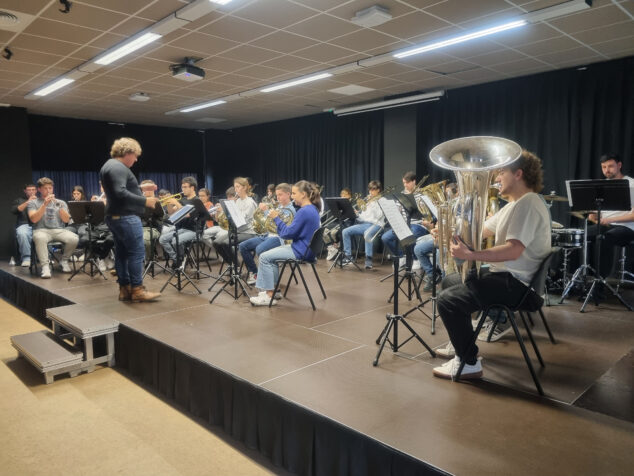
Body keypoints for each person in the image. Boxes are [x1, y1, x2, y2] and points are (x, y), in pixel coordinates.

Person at [432, 150, 551, 379]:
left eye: (501, 172)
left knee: (448, 301)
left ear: (518, 174)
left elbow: (513, 250)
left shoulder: (529, 203)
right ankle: (460, 343)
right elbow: (480, 231)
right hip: (507, 278)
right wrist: (447, 231)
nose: (497, 178)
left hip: (518, 286)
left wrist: (470, 255)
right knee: (450, 281)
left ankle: (468, 362)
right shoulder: (513, 205)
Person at [100, 137, 161, 302]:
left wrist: (139, 188)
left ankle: (125, 289)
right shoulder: (118, 167)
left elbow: (117, 190)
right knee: (136, 253)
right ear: (127, 152)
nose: (136, 159)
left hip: (115, 216)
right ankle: (137, 289)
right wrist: (145, 200)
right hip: (126, 217)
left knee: (121, 253)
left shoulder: (109, 165)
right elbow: (120, 192)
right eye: (135, 155)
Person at [250, 180, 321, 306]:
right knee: (268, 256)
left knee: (264, 257)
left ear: (303, 194)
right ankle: (272, 291)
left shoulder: (304, 211)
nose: (292, 196)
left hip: (300, 250)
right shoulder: (312, 209)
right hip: (306, 249)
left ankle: (269, 295)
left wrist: (276, 218)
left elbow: (286, 234)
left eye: (294, 193)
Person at [586, 153, 634, 282]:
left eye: (610, 166)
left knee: (604, 239)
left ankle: (600, 283)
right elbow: (597, 213)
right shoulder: (602, 185)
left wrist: (610, 219)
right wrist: (593, 216)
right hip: (605, 225)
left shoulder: (631, 184)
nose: (607, 170)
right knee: (579, 235)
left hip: (627, 228)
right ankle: (574, 279)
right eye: (603, 167)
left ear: (619, 165)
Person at [239, 183, 296, 284]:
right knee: (243, 246)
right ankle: (255, 273)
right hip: (267, 235)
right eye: (277, 195)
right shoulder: (278, 207)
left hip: (280, 238)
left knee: (260, 249)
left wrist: (266, 211)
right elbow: (268, 221)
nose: (278, 197)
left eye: (280, 195)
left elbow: (279, 227)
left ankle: (269, 281)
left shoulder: (290, 210)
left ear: (288, 194)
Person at [27, 177, 79, 278]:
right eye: (45, 188)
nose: (48, 190)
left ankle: (64, 261)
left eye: (50, 188)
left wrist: (60, 208)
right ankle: (45, 267)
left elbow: (66, 220)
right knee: (39, 238)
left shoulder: (61, 202)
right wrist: (44, 204)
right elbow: (33, 219)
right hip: (41, 230)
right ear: (39, 189)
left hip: (59, 230)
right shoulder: (33, 203)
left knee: (74, 238)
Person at [381, 171, 430, 266]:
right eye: (404, 183)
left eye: (407, 183)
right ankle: (400, 256)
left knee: (411, 235)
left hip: (419, 224)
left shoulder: (422, 193)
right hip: (404, 223)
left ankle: (415, 259)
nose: (405, 185)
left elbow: (426, 212)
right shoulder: (402, 194)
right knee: (386, 237)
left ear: (414, 181)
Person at [341, 180, 384, 269]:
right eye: (370, 190)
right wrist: (357, 214)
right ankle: (348, 257)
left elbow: (379, 216)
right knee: (345, 231)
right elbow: (364, 217)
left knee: (367, 234)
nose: (370, 192)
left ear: (378, 190)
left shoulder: (382, 200)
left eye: (373, 190)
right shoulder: (368, 201)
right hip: (365, 224)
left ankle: (368, 260)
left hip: (377, 224)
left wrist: (373, 204)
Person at [11, 183, 37, 267]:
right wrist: (28, 201)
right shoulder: (19, 200)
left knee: (46, 231)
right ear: (25, 191)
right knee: (22, 233)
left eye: (33, 190)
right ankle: (26, 258)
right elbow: (14, 210)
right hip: (24, 224)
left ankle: (48, 257)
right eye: (29, 190)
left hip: (37, 224)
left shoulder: (40, 200)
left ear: (36, 190)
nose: (31, 192)